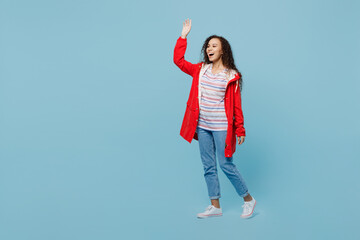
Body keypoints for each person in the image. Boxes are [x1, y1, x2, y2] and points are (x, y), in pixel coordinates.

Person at [173, 19, 256, 219]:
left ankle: (248, 200)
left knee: (226, 164)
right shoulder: (200, 69)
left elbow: (236, 106)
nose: (210, 48)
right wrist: (183, 36)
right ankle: (215, 205)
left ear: (222, 51)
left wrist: (240, 129)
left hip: (221, 128)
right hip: (202, 127)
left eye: (214, 46)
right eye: (208, 46)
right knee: (208, 166)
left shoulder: (231, 76)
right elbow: (179, 61)